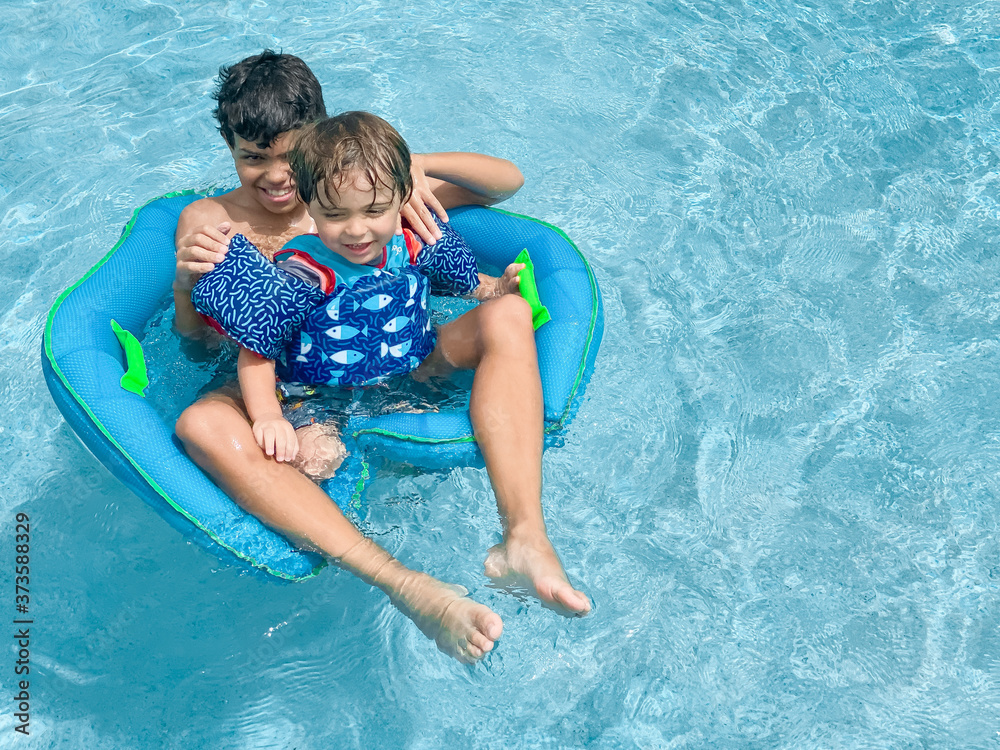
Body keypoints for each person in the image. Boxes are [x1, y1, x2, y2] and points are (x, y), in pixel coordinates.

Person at [175, 57, 590, 664]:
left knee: (507, 315)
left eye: (291, 156)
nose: (275, 176)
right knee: (200, 424)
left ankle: (524, 537)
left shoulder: (374, 193)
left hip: (401, 358)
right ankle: (406, 585)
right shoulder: (213, 223)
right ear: (231, 149)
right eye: (253, 157)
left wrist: (414, 169)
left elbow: (507, 182)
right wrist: (188, 288)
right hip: (298, 388)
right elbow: (198, 344)